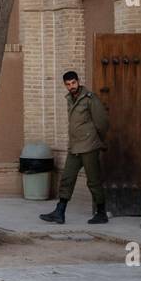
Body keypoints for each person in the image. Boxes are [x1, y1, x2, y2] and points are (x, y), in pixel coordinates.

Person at [41, 70, 110, 225]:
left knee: (93, 180)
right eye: (68, 84)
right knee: (67, 178)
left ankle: (101, 213)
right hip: (75, 146)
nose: (71, 86)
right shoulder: (70, 99)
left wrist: (97, 140)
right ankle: (59, 212)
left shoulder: (90, 98)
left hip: (89, 146)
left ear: (78, 81)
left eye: (73, 83)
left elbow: (102, 122)